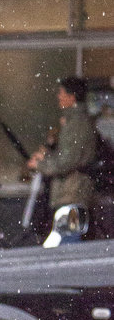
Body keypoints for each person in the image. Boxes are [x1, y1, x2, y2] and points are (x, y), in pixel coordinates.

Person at [27, 76, 97, 240]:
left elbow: (67, 160)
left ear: (72, 96)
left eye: (61, 92)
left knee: (69, 242)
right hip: (71, 192)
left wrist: (41, 163)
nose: (58, 96)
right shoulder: (74, 121)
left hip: (73, 193)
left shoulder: (76, 124)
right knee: (68, 239)